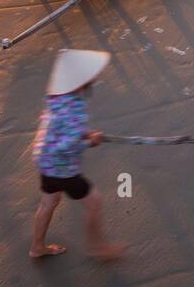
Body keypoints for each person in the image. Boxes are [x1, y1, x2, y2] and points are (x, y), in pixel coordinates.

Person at [30, 48, 126, 261]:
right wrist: (89, 142)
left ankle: (37, 247)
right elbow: (67, 145)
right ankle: (97, 246)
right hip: (62, 168)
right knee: (94, 201)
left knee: (49, 202)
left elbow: (60, 129)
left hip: (44, 160)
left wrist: (85, 134)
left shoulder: (56, 97)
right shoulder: (75, 108)